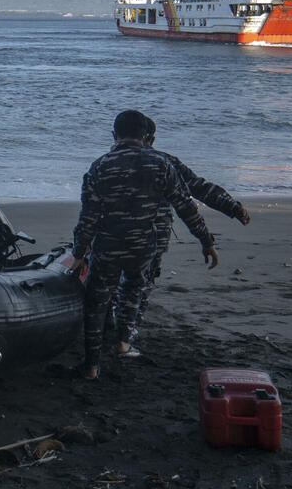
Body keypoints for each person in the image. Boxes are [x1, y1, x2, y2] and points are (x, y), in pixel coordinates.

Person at [70, 110, 219, 380]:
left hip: (109, 246)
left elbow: (88, 216)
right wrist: (206, 240)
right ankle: (123, 344)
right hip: (144, 246)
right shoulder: (161, 165)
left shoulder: (100, 165)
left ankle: (92, 366)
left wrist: (79, 251)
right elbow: (185, 205)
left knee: (96, 302)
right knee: (133, 290)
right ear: (147, 137)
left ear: (114, 135)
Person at [114, 114, 251, 350]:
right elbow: (197, 189)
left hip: (112, 233)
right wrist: (231, 207)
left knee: (116, 281)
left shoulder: (108, 161)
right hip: (152, 235)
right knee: (141, 284)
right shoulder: (165, 162)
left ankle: (114, 328)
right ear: (152, 139)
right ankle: (126, 335)